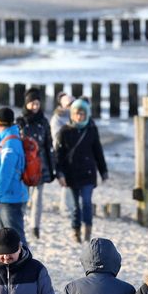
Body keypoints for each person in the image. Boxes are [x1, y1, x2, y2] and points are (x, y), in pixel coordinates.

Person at [56, 99, 107, 244]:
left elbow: (98, 151)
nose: (80, 117)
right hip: (71, 175)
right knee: (75, 206)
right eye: (77, 114)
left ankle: (87, 231)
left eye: (83, 114)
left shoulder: (91, 129)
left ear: (87, 114)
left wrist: (103, 171)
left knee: (86, 202)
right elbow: (58, 155)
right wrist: (59, 174)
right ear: (72, 114)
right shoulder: (65, 131)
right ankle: (75, 230)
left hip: (88, 174)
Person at [18, 89, 55, 241]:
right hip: (24, 165)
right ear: (27, 104)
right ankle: (21, 224)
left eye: (37, 103)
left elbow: (49, 146)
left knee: (38, 198)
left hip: (41, 165)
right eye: (32, 103)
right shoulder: (20, 122)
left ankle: (35, 227)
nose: (35, 106)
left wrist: (53, 169)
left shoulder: (44, 122)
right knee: (23, 197)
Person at [0, 107, 29, 242]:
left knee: (15, 239)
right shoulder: (8, 139)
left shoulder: (10, 143)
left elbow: (6, 172)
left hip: (9, 198)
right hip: (8, 196)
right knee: (3, 240)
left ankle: (26, 263)